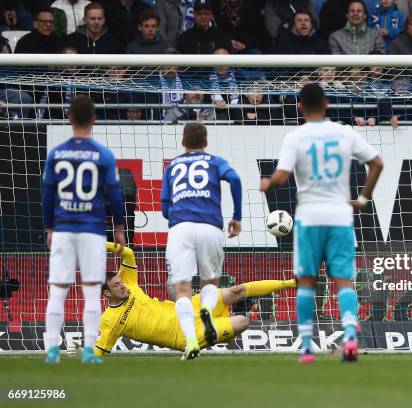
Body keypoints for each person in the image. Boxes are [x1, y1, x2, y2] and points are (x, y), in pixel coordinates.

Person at [260, 83, 384, 363]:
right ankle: (350, 336)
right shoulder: (345, 132)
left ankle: (306, 347)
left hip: (310, 216)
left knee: (306, 281)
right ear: (326, 104)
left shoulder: (296, 137)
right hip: (340, 215)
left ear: (300, 106)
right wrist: (363, 199)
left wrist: (267, 183)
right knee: (343, 280)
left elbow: (281, 176)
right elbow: (377, 163)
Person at [95, 242, 297, 356]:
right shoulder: (110, 320)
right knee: (243, 321)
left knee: (236, 290)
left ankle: (291, 282)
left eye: (121, 282)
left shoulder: (129, 284)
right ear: (106, 293)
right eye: (116, 285)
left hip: (189, 308)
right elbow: (99, 353)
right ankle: (220, 330)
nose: (122, 286)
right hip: (183, 335)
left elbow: (128, 253)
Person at [42, 95, 126, 364]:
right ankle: (90, 350)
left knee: (58, 290)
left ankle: (52, 350)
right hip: (92, 229)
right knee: (91, 290)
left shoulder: (56, 153)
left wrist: (50, 226)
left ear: (69, 119)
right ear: (93, 119)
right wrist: (120, 227)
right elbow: (115, 194)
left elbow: (47, 195)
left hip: (64, 228)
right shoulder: (103, 154)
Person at [161, 122, 242, 360]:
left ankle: (191, 341)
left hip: (180, 228)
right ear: (206, 143)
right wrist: (236, 217)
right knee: (210, 283)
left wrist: (179, 211)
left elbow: (165, 207)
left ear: (183, 142)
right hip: (210, 226)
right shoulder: (215, 161)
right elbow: (235, 179)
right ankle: (206, 308)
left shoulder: (172, 165)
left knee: (182, 289)